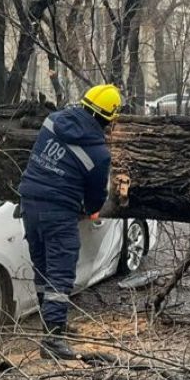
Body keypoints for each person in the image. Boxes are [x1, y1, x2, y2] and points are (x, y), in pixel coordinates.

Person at [18, 83, 120, 359]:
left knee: (43, 267)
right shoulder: (99, 154)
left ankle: (54, 324)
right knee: (60, 274)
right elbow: (97, 196)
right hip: (59, 212)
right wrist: (91, 208)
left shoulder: (53, 121)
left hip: (29, 201)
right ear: (108, 118)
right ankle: (52, 340)